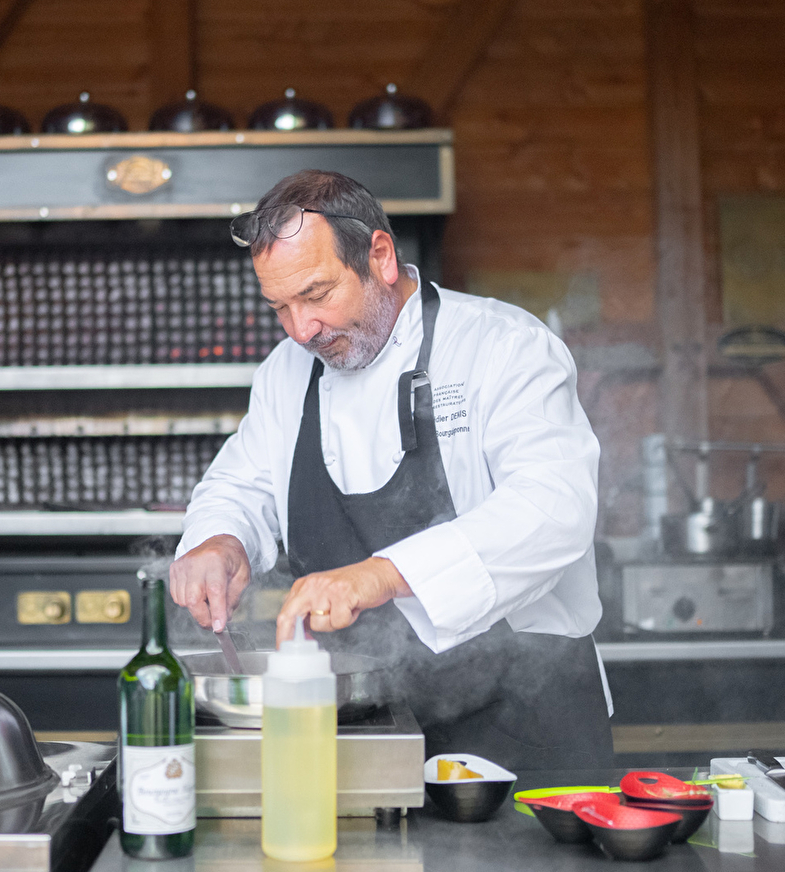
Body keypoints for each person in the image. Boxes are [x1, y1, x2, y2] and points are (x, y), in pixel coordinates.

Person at [168, 169, 612, 770]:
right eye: (280, 308)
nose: (301, 330)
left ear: (380, 256)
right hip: (360, 720)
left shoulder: (502, 346)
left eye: (317, 295)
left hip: (524, 721)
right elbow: (239, 486)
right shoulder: (285, 373)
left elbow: (554, 509)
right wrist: (219, 541)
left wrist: (381, 575)